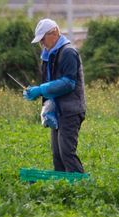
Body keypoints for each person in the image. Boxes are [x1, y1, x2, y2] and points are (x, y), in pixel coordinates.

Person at [23, 18, 86, 173]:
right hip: (56, 110)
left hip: (70, 110)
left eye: (43, 39)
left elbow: (68, 83)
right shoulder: (49, 55)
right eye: (40, 41)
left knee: (67, 153)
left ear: (55, 33)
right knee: (57, 154)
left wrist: (41, 89)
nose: (42, 43)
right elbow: (49, 82)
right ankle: (62, 190)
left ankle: (81, 189)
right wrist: (37, 93)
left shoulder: (68, 52)